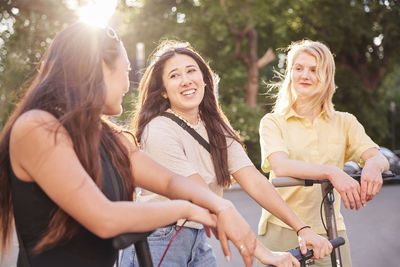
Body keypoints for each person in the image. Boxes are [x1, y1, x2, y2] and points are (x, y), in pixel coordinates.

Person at [0, 22, 263, 267]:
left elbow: (171, 182)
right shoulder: (37, 128)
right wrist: (186, 209)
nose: (128, 84)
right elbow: (105, 218)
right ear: (100, 69)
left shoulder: (110, 137)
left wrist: (222, 206)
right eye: (126, 71)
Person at [120, 40, 332, 267]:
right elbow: (202, 196)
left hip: (196, 236)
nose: (186, 80)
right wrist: (265, 253)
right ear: (162, 91)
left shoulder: (215, 126)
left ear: (204, 79)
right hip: (159, 239)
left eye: (191, 71)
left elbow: (255, 181)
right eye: (174, 76)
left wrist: (302, 228)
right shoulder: (159, 130)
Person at [257, 39, 389, 267]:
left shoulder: (346, 122)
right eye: (298, 68)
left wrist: (373, 166)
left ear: (327, 76)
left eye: (314, 70)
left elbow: (377, 156)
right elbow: (281, 166)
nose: (304, 75)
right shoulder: (272, 122)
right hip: (281, 229)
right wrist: (331, 172)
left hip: (330, 229)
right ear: (290, 73)